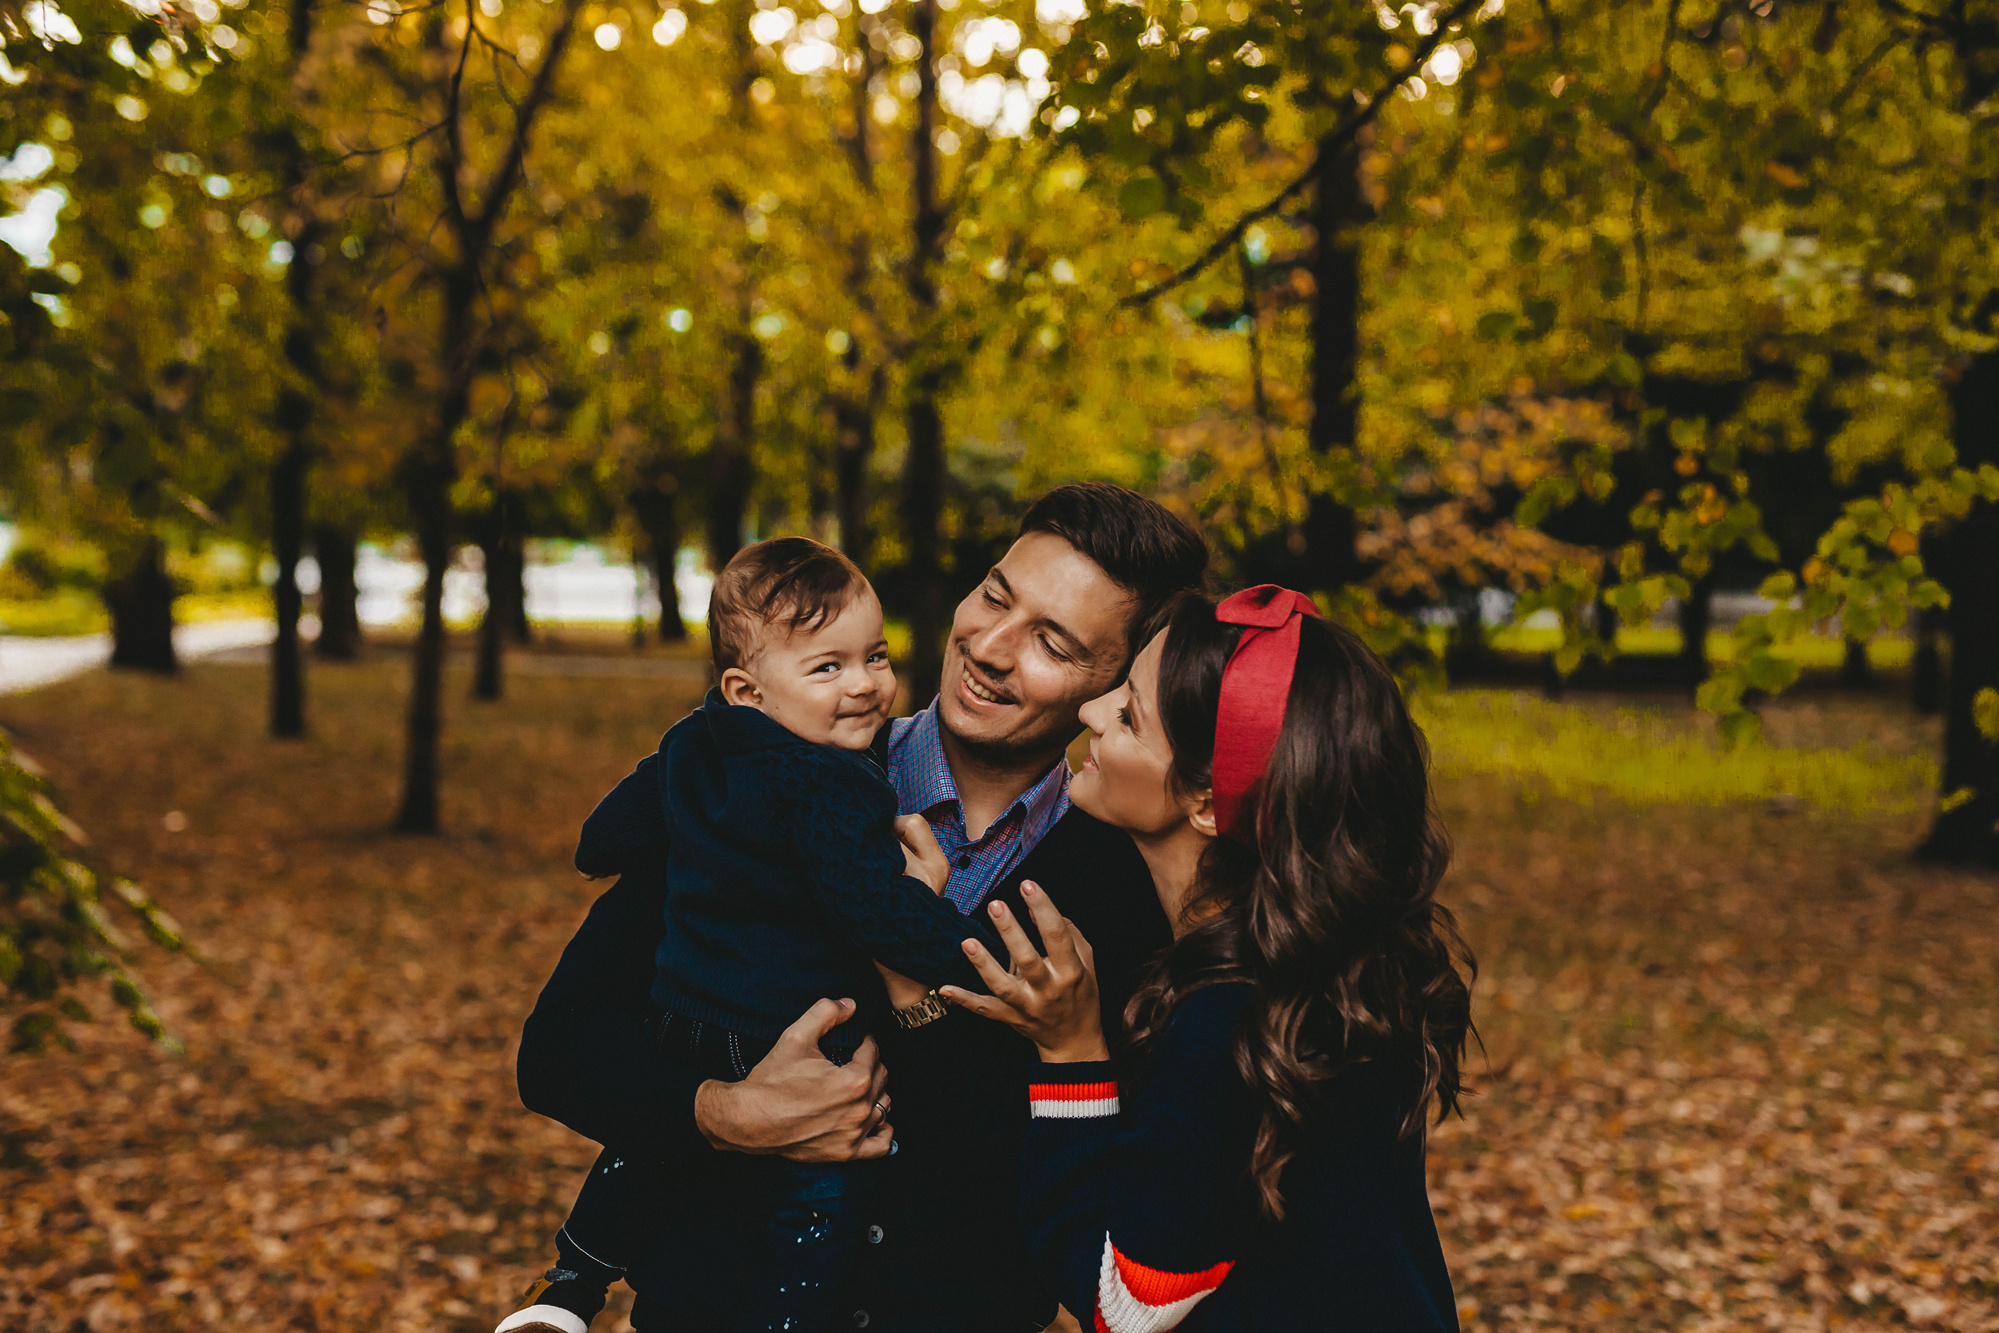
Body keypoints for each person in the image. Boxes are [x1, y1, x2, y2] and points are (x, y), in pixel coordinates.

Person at [514, 484, 1210, 1332]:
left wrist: (910, 989)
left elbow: (1091, 1177)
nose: (988, 647)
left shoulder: (1129, 888)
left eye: (1052, 643)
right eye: (994, 594)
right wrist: (724, 1113)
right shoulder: (764, 763)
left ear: (1116, 684)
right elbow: (560, 1047)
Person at [500, 537, 1005, 1333]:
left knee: (642, 1155)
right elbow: (873, 907)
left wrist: (658, 843)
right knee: (817, 1198)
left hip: (680, 1014)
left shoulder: (693, 742)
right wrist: (960, 947)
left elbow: (603, 835)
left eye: (874, 656)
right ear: (747, 688)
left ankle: (570, 1283)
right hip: (775, 1031)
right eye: (828, 668)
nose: (867, 685)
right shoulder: (834, 782)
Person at [942, 587, 1475, 1331]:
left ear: (1203, 797)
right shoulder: (1321, 960)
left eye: (1128, 713)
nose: (1092, 711)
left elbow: (1126, 1305)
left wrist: (1070, 1050)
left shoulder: (1226, 1016)